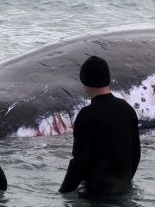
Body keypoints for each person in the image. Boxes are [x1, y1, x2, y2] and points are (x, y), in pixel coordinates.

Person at [59, 56, 141, 195]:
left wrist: (63, 191)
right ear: (107, 79)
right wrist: (125, 182)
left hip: (97, 195)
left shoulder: (87, 115)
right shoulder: (127, 109)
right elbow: (136, 154)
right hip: (125, 189)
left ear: (84, 81)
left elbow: (80, 162)